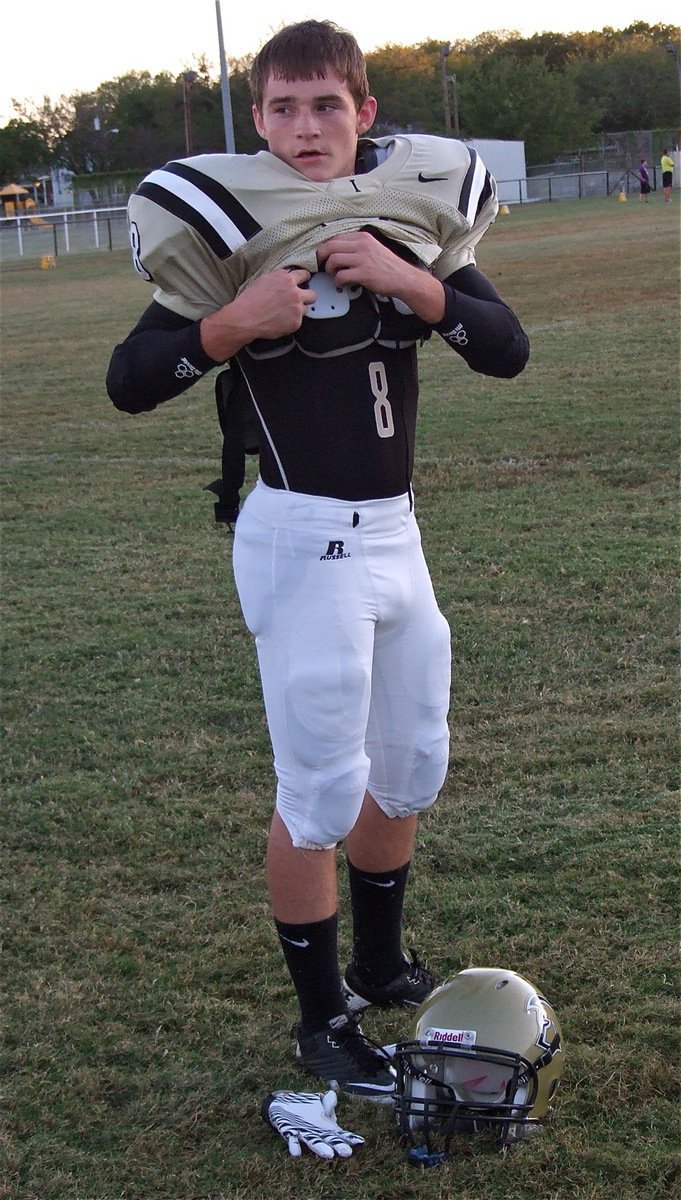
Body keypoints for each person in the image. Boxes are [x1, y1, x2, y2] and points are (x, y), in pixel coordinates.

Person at [107, 19, 529, 1102]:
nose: (306, 128)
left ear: (365, 115)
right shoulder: (240, 231)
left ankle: (382, 962)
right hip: (303, 538)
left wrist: (408, 278)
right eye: (284, 108)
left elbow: (506, 349)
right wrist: (228, 326)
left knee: (410, 760)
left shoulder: (414, 220)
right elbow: (132, 376)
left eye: (326, 106)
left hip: (399, 532)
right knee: (320, 791)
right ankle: (319, 1014)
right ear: (257, 121)